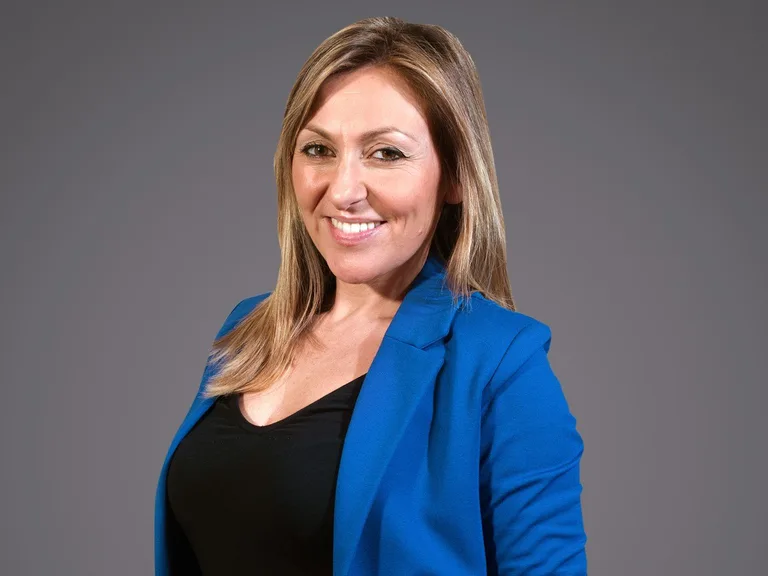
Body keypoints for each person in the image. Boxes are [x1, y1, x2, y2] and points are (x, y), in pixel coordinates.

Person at [154, 15, 587, 576]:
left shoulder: (501, 361)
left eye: (386, 153)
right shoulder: (251, 329)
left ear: (454, 176)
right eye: (318, 149)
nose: (343, 190)